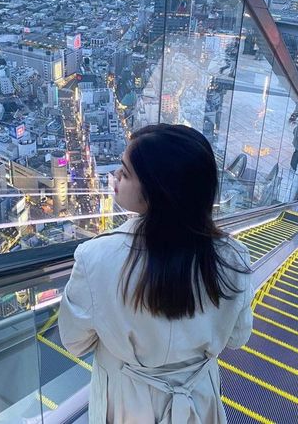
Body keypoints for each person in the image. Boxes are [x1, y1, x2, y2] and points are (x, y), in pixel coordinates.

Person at [58, 124, 253, 424]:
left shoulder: (95, 258)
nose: (116, 179)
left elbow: (74, 342)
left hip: (125, 405)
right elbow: (238, 337)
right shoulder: (233, 258)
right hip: (199, 401)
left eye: (124, 173)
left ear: (155, 190)